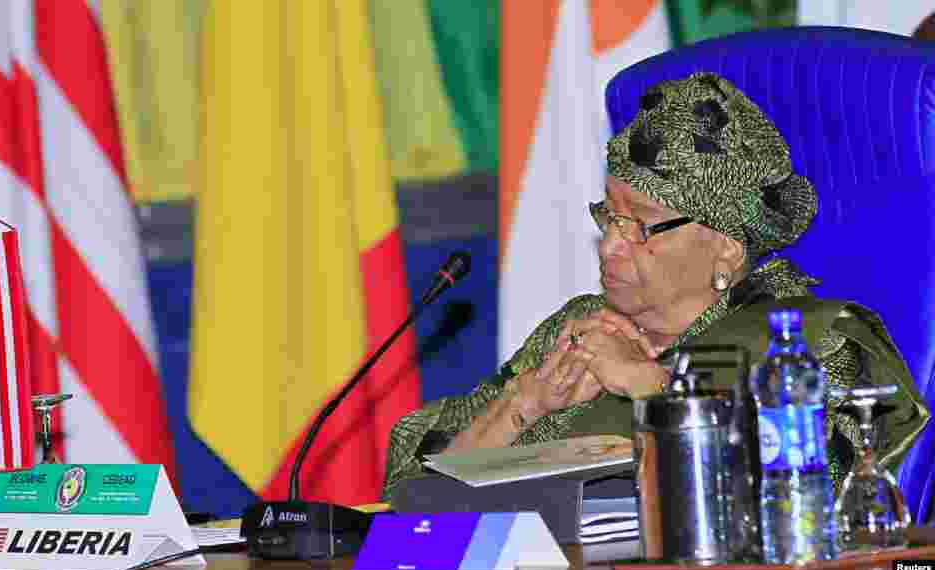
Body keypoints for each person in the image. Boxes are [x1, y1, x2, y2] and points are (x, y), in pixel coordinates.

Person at [382, 72, 930, 501]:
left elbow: (804, 508)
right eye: (609, 218)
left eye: (641, 225)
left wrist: (650, 386)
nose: (610, 246)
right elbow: (409, 497)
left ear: (727, 245)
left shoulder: (808, 344)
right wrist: (522, 404)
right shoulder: (578, 326)